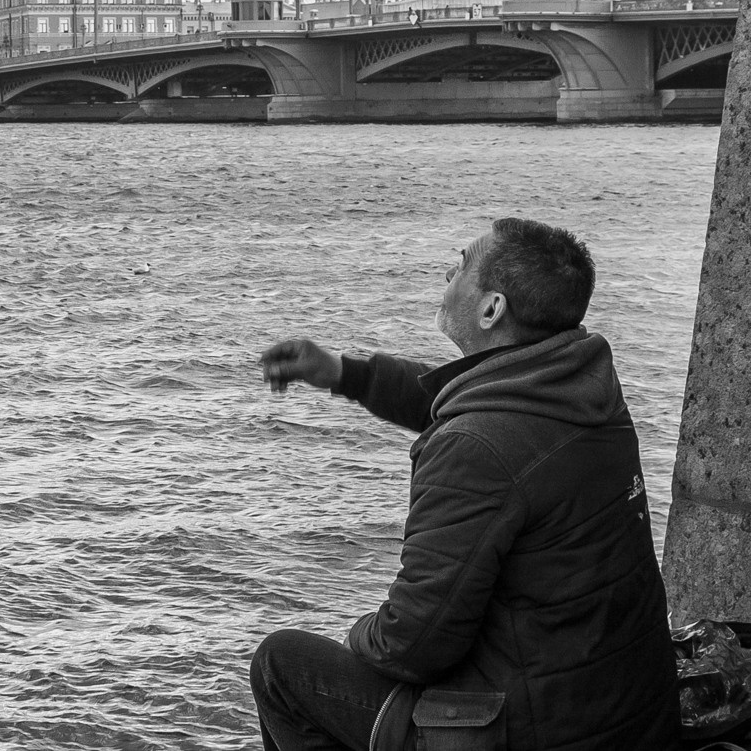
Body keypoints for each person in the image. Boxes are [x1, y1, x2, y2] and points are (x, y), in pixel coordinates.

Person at [249, 217, 678, 751]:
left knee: (281, 665)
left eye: (461, 263)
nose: (448, 273)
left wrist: (355, 633)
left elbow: (412, 645)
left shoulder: (474, 449)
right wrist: (343, 372)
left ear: (491, 308)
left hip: (537, 731)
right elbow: (465, 403)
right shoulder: (587, 389)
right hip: (625, 710)